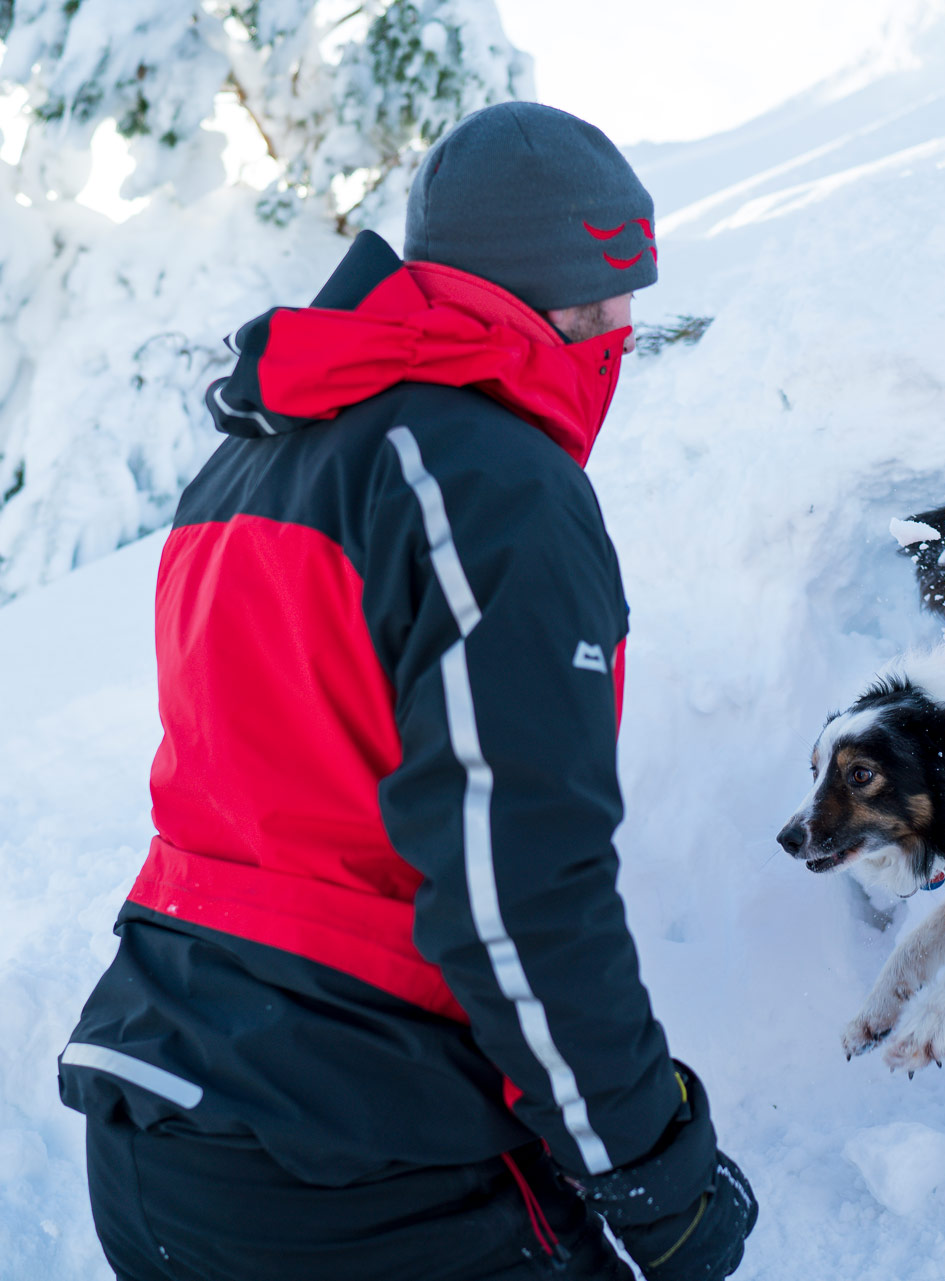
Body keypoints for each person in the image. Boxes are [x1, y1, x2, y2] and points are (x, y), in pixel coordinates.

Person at [56, 102, 757, 1281]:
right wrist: (653, 1168)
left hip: (161, 1110)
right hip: (347, 1161)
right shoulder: (495, 486)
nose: (626, 332)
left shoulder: (253, 458)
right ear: (551, 293)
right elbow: (519, 888)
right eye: (609, 299)